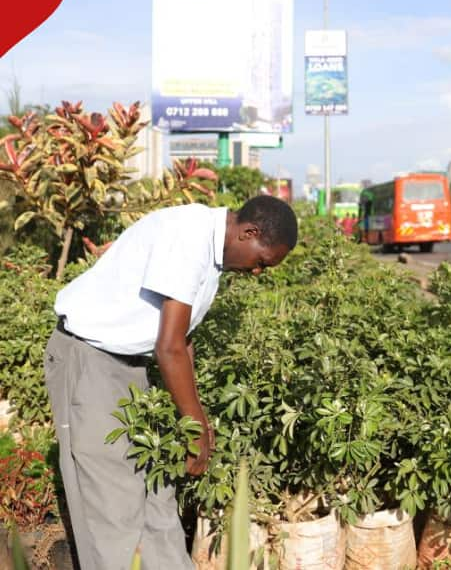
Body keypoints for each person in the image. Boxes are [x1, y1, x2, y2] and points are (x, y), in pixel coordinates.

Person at [47, 196, 298, 568]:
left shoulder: (211, 253)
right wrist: (194, 425)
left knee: (156, 498)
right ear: (249, 232)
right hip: (90, 363)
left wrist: (194, 419)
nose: (258, 272)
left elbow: (182, 340)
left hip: (131, 369)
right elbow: (169, 348)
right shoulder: (188, 236)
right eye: (262, 261)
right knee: (113, 509)